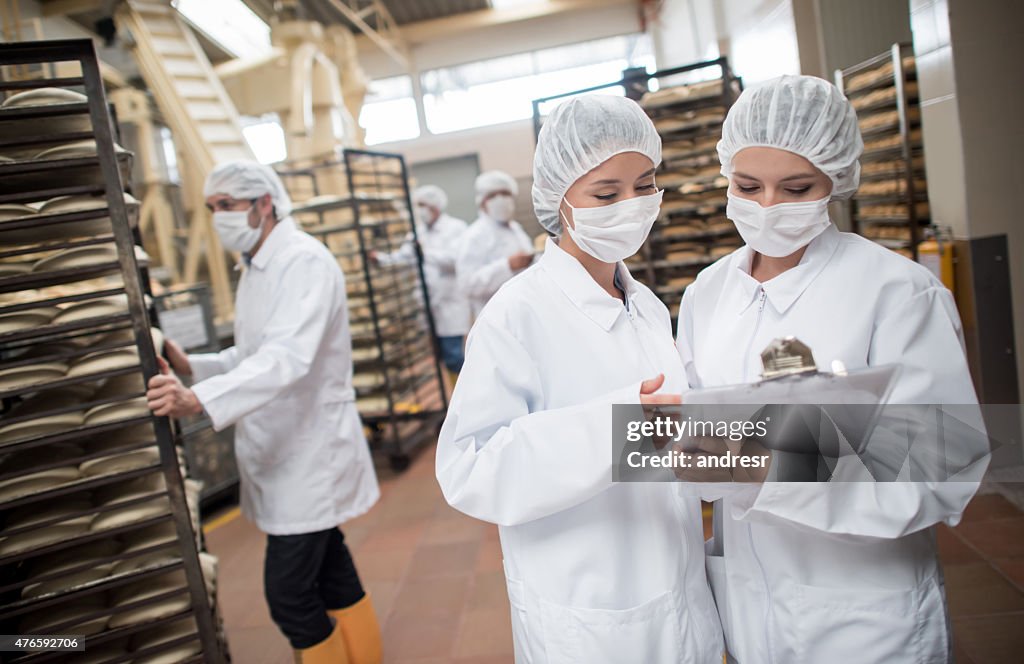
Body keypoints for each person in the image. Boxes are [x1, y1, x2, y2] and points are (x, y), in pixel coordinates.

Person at [675, 75, 986, 663]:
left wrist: (768, 465)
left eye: (795, 188)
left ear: (835, 182)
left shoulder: (895, 292)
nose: (768, 206)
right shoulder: (707, 293)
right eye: (748, 185)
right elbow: (694, 430)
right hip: (747, 607)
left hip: (862, 614)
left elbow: (942, 467)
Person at [436, 95, 723, 664]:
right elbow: (469, 466)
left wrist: (745, 450)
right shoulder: (516, 315)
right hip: (590, 609)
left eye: (645, 185)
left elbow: (672, 438)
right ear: (558, 199)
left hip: (677, 584)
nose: (633, 206)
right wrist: (613, 431)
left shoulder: (646, 308)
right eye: (606, 194)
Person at [144, 161, 382, 664]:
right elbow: (253, 354)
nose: (218, 218)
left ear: (264, 204)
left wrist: (199, 401)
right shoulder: (256, 266)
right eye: (212, 209)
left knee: (290, 597)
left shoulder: (303, 263)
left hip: (311, 453)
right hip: (284, 452)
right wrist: (197, 367)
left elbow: (287, 359)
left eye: (226, 206)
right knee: (332, 572)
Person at [370, 184, 469, 374]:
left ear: (436, 207)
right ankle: (455, 396)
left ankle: (470, 395)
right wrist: (381, 259)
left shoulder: (455, 228)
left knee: (454, 356)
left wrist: (425, 253)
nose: (420, 210)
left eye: (424, 205)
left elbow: (456, 260)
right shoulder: (418, 232)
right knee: (442, 358)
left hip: (449, 303)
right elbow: (404, 256)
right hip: (428, 304)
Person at [455, 170, 535, 318]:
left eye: (505, 194)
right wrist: (507, 266)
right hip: (495, 316)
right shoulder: (475, 235)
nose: (500, 200)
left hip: (524, 309)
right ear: (482, 202)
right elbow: (467, 284)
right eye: (492, 196)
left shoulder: (515, 229)